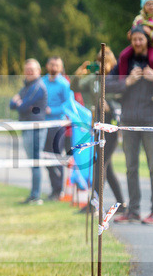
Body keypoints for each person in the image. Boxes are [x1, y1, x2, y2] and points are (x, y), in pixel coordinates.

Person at [110, 25, 153, 224]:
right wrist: (127, 82)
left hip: (152, 120)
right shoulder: (125, 61)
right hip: (129, 119)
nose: (138, 42)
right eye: (135, 39)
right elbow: (108, 84)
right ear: (131, 41)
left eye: (141, 39)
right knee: (131, 167)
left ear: (147, 40)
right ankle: (133, 211)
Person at [72, 49, 124, 212]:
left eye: (104, 61)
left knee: (100, 166)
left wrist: (111, 106)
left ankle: (93, 205)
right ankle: (121, 204)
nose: (101, 64)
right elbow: (75, 86)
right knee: (106, 169)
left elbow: (124, 100)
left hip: (111, 126)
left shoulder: (116, 79)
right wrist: (80, 71)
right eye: (98, 61)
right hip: (97, 125)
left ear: (111, 62)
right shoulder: (94, 79)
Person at [10, 59, 49, 205]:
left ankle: (36, 195)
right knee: (32, 162)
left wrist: (19, 102)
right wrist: (18, 102)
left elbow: (23, 106)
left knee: (35, 162)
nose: (29, 72)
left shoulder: (38, 87)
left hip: (36, 128)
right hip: (26, 127)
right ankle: (34, 194)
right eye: (27, 69)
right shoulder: (26, 87)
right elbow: (12, 104)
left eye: (32, 69)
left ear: (38, 71)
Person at [41, 56, 72, 201]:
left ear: (61, 67)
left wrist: (51, 110)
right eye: (52, 64)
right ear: (47, 65)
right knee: (45, 158)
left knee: (56, 157)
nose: (54, 67)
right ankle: (54, 188)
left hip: (57, 126)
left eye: (57, 65)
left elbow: (67, 106)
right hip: (42, 125)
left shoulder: (64, 84)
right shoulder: (42, 82)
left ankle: (58, 190)